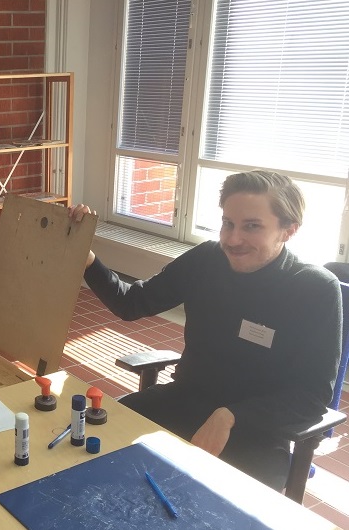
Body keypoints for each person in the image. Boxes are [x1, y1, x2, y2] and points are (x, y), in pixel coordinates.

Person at [69, 170, 342, 490]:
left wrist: (231, 415)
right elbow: (131, 303)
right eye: (228, 223)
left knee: (206, 504)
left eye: (251, 226)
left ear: (288, 230)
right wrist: (86, 257)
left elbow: (312, 397)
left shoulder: (314, 289)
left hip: (258, 434)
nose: (232, 239)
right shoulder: (207, 260)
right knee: (85, 443)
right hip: (184, 400)